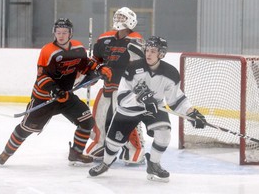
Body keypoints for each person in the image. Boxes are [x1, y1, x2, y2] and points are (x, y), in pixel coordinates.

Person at [88, 36, 206, 182]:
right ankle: (106, 163)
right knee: (114, 142)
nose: (148, 54)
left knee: (164, 133)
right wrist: (141, 99)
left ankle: (154, 164)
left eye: (153, 51)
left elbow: (176, 99)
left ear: (161, 54)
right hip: (128, 110)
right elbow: (122, 97)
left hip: (154, 109)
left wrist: (192, 113)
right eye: (147, 50)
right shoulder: (132, 68)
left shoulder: (170, 73)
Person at [0, 18, 112, 166]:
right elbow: (42, 77)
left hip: (66, 96)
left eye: (64, 32)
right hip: (45, 98)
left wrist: (99, 68)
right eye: (58, 32)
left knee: (87, 121)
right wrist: (55, 90)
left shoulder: (78, 48)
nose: (61, 36)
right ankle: (6, 153)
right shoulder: (48, 51)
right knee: (26, 129)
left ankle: (76, 153)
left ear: (70, 34)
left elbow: (86, 65)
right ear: (54, 33)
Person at [86, 7, 146, 164]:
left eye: (122, 17)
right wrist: (94, 71)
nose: (119, 20)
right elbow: (96, 60)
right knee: (100, 116)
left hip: (126, 89)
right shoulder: (105, 38)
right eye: (117, 17)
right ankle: (101, 144)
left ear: (131, 21)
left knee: (125, 120)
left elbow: (140, 67)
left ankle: (135, 148)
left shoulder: (136, 40)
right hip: (108, 86)